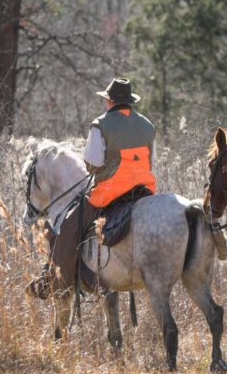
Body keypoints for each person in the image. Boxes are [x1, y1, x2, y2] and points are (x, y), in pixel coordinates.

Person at [37, 78, 157, 294]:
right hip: (145, 191)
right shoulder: (147, 125)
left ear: (109, 101)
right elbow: (150, 163)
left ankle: (59, 284)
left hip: (111, 193)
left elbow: (92, 164)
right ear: (129, 102)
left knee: (68, 228)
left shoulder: (100, 124)